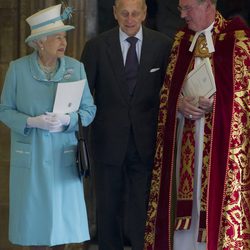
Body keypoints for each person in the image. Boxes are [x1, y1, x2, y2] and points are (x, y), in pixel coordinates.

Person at [144, 0, 250, 250]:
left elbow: (243, 96)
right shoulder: (182, 41)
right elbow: (167, 92)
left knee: (211, 197)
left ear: (207, 5)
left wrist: (218, 105)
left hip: (218, 145)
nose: (182, 15)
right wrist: (178, 104)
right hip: (184, 139)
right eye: (181, 8)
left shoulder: (238, 39)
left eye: (187, 8)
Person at [0, 4, 96, 250]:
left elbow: (89, 110)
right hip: (31, 159)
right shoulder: (18, 69)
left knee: (61, 228)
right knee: (36, 228)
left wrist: (68, 120)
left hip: (63, 156)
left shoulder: (76, 68)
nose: (63, 42)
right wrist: (31, 122)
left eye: (64, 37)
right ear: (40, 42)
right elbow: (4, 110)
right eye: (57, 37)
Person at [81, 0, 172, 249]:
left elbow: (169, 93)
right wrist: (81, 141)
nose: (129, 19)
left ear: (144, 13)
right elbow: (84, 97)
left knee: (141, 209)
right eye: (124, 13)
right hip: (107, 142)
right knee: (108, 208)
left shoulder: (162, 45)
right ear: (114, 13)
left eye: (134, 13)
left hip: (147, 142)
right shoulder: (96, 47)